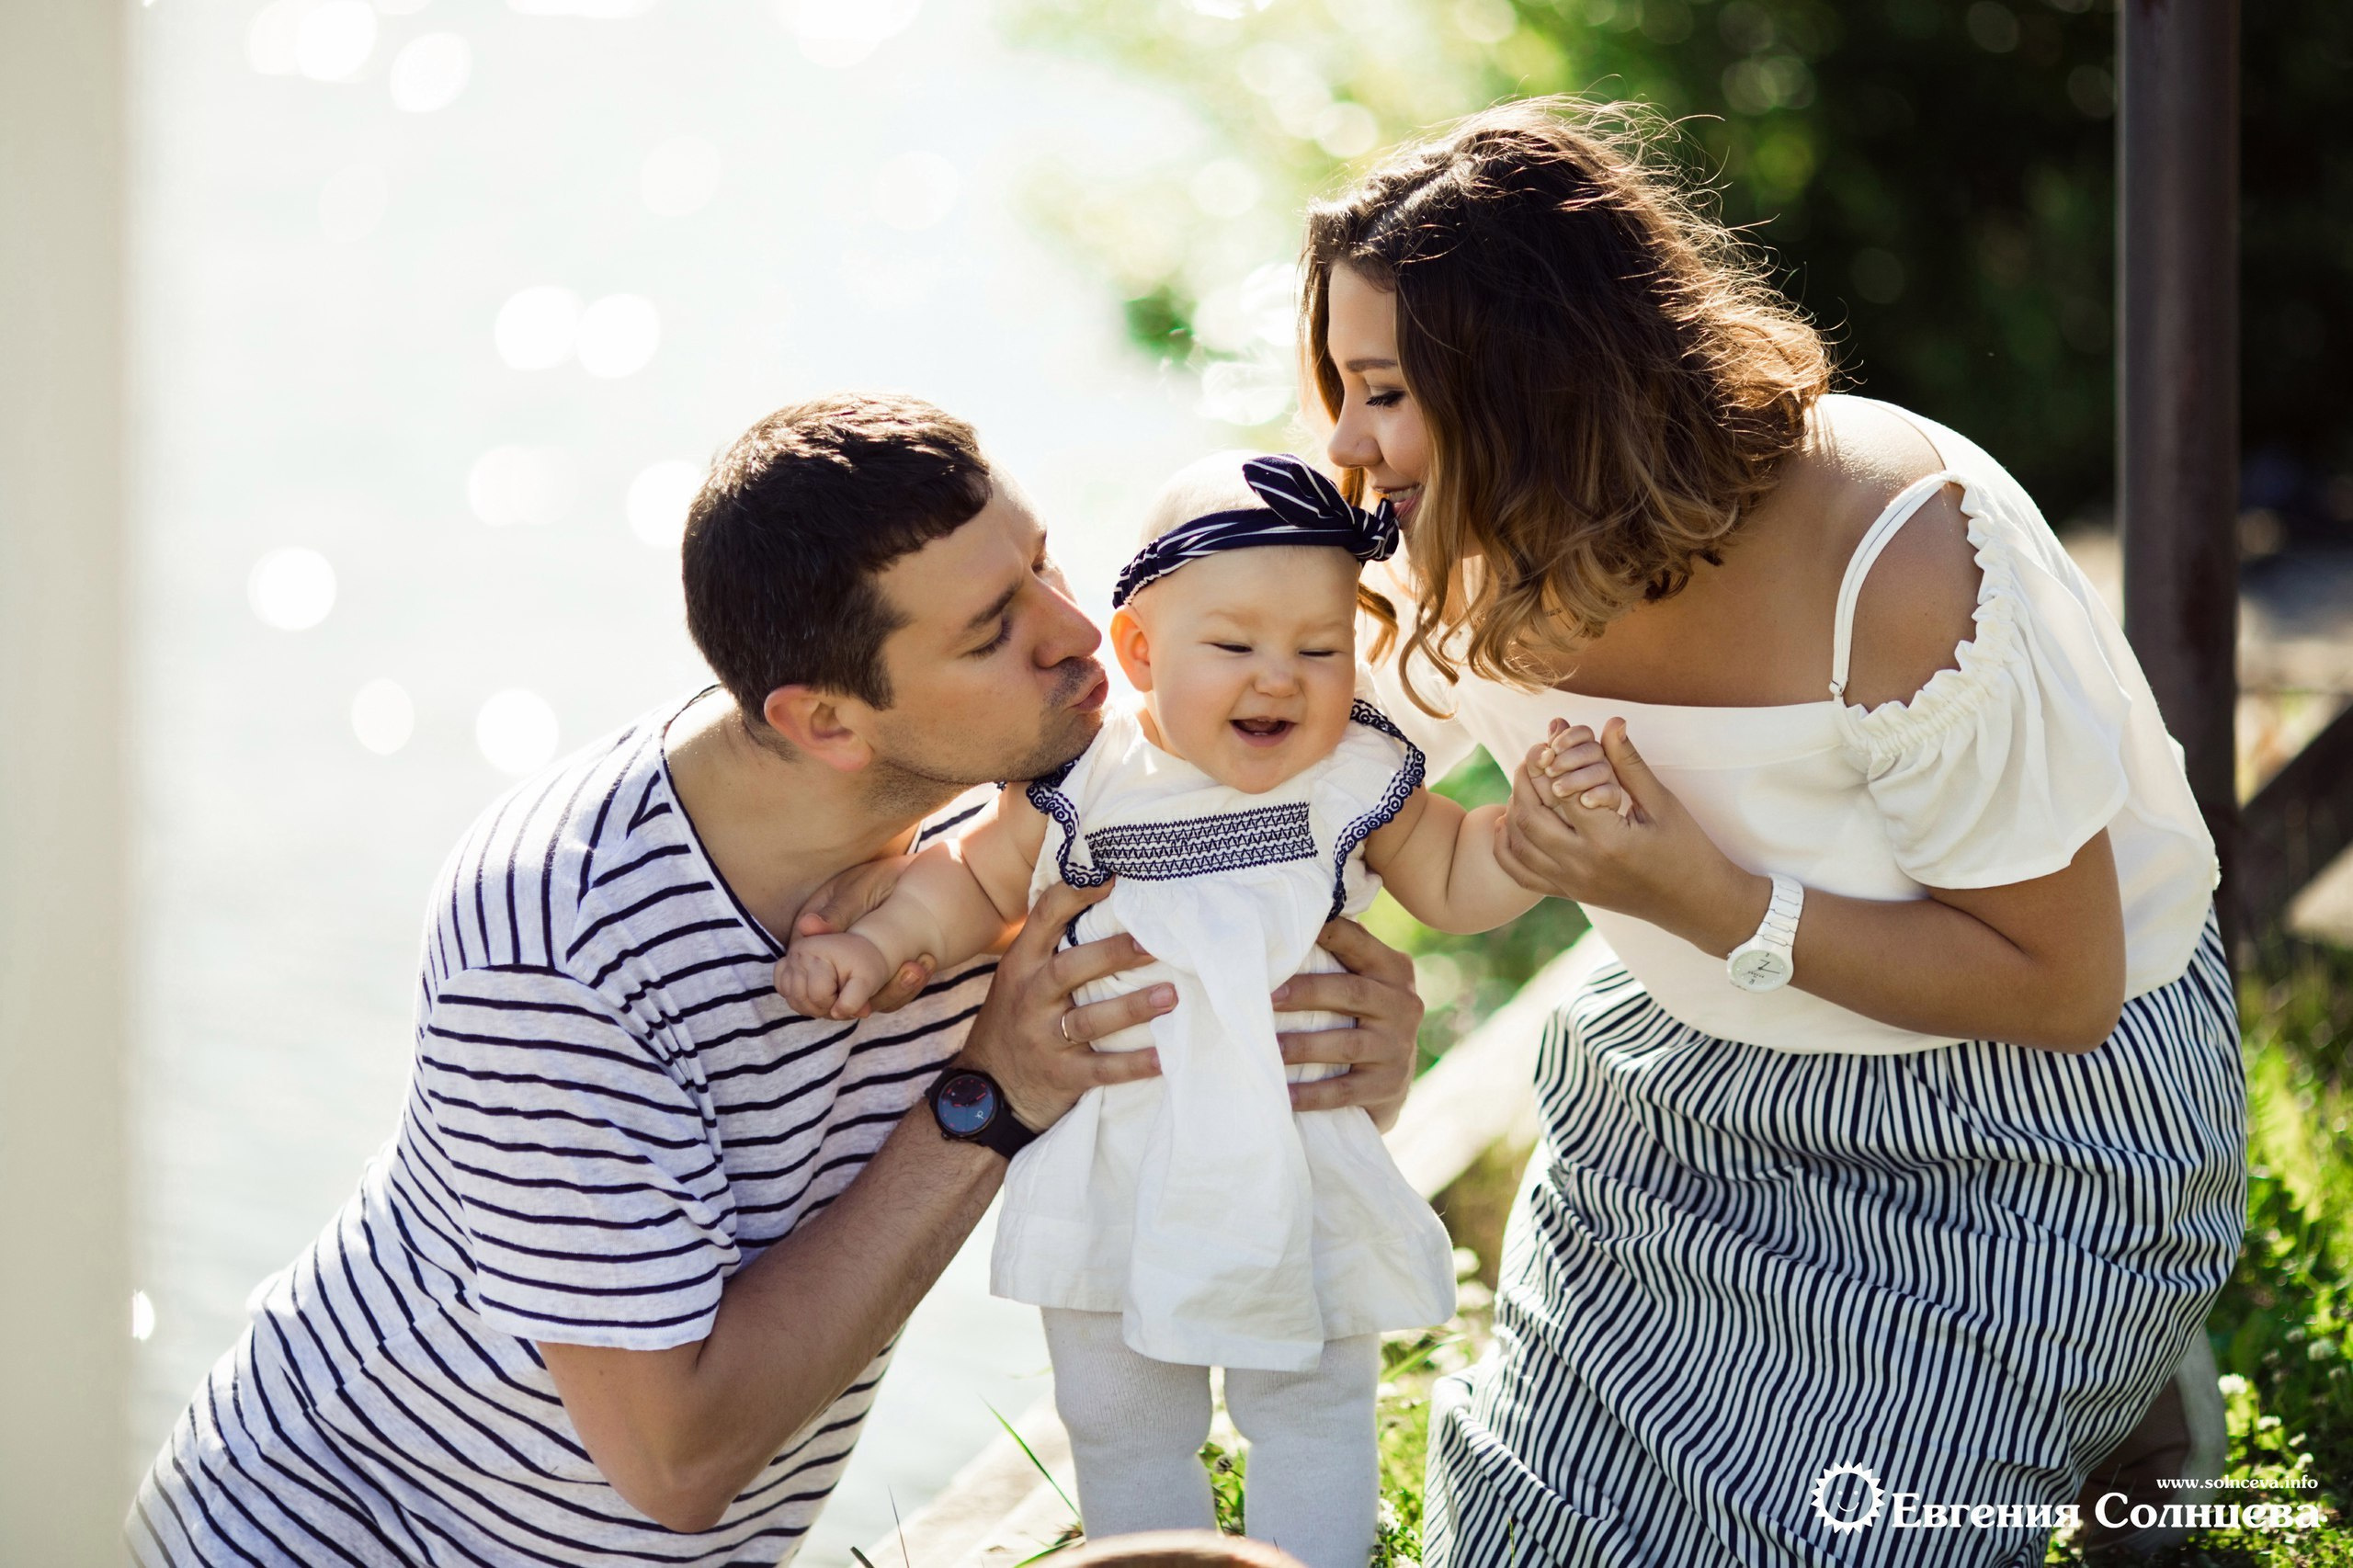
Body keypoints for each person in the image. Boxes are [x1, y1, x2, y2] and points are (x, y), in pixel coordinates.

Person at [128, 394, 1429, 1568]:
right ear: (823, 720)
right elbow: (678, 1464)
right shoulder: (560, 941)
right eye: (994, 630)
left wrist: (1338, 1043)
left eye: (1041, 561)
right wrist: (990, 1092)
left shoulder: (1053, 799)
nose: (1079, 631)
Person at [1305, 102, 2246, 1565]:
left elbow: (2064, 990)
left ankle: (2124, 1380)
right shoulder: (1436, 538)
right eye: (1338, 388)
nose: (1345, 448)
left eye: (1380, 392)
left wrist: (1712, 894)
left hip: (2014, 1138)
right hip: (1681, 1112)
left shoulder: (1894, 550)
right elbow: (1262, 759)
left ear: (1532, 388)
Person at [782, 449, 1548, 1568]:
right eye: (1232, 647)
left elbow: (1451, 873)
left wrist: (1536, 837)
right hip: (1114, 1148)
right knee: (1123, 1414)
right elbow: (973, 881)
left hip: (1291, 1144)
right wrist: (874, 940)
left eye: (1320, 649)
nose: (1278, 679)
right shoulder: (1089, 774)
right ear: (1141, 649)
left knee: (1310, 1406)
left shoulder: (1349, 771)